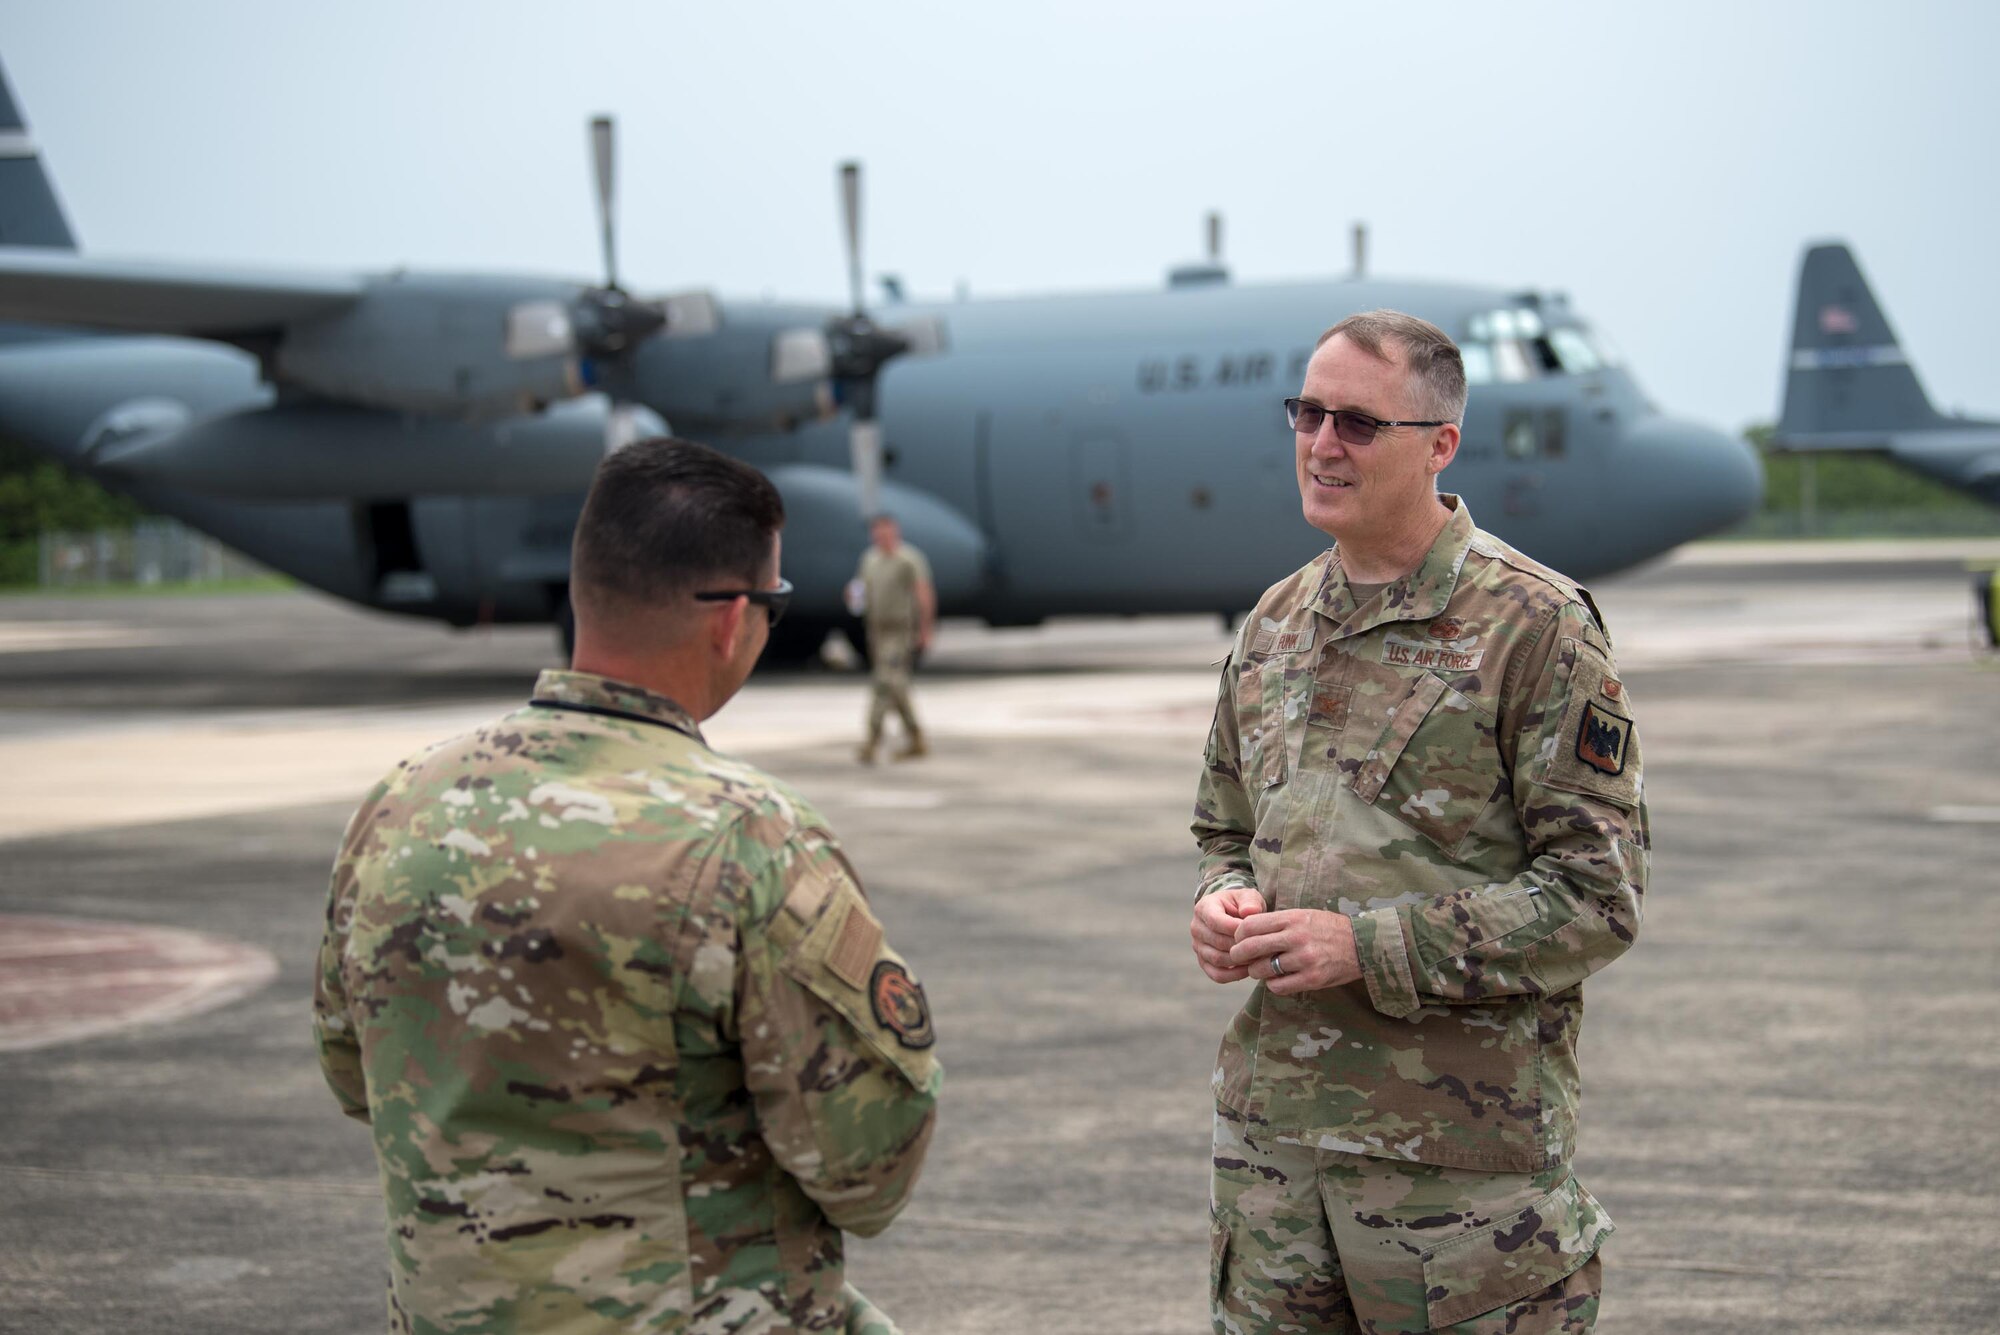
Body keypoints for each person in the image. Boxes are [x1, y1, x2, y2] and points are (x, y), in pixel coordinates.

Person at [314, 439, 941, 1334]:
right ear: (731, 618)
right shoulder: (751, 838)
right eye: (775, 604)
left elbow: (353, 1072)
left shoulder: (399, 804)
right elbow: (870, 1164)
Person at [1189, 311, 1646, 1333]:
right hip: (1274, 1161)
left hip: (1456, 1179)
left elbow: (1593, 898)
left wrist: (1367, 945)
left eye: (1356, 422)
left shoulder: (1534, 627)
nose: (1319, 443)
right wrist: (1223, 900)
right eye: (1306, 413)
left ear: (1439, 444)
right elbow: (1222, 829)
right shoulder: (1272, 625)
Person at [849, 514, 935, 764]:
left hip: (899, 630)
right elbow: (860, 590)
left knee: (884, 680)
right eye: (877, 532)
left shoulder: (909, 559)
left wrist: (925, 628)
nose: (881, 537)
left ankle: (872, 739)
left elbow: (923, 593)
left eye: (885, 531)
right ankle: (915, 736)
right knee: (897, 684)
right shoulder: (870, 559)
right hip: (876, 630)